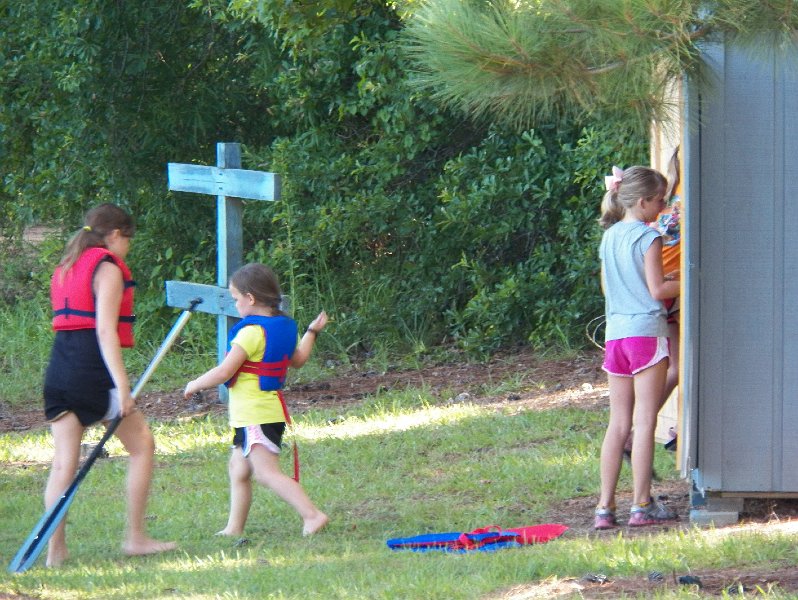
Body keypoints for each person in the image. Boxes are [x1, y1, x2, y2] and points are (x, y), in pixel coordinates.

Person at [43, 203, 176, 567]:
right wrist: (122, 386)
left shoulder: (67, 265)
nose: (127, 247)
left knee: (62, 465)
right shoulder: (107, 268)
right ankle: (136, 537)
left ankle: (56, 552)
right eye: (128, 239)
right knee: (142, 445)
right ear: (115, 235)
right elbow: (104, 331)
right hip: (92, 373)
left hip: (58, 372)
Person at [183, 263, 329, 537]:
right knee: (238, 469)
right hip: (262, 413)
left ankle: (312, 515)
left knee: (265, 473)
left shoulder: (250, 333)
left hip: (255, 415)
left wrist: (195, 383)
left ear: (250, 298)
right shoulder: (281, 327)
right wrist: (311, 332)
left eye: (235, 298)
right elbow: (298, 359)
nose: (235, 304)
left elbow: (225, 371)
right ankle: (233, 528)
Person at [594, 166, 681, 529]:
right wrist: (689, 279)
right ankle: (641, 505)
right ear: (643, 202)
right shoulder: (649, 237)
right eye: (660, 200)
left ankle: (604, 508)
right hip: (646, 334)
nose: (663, 207)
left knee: (617, 424)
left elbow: (614, 286)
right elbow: (658, 291)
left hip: (616, 336)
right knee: (644, 422)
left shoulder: (609, 237)